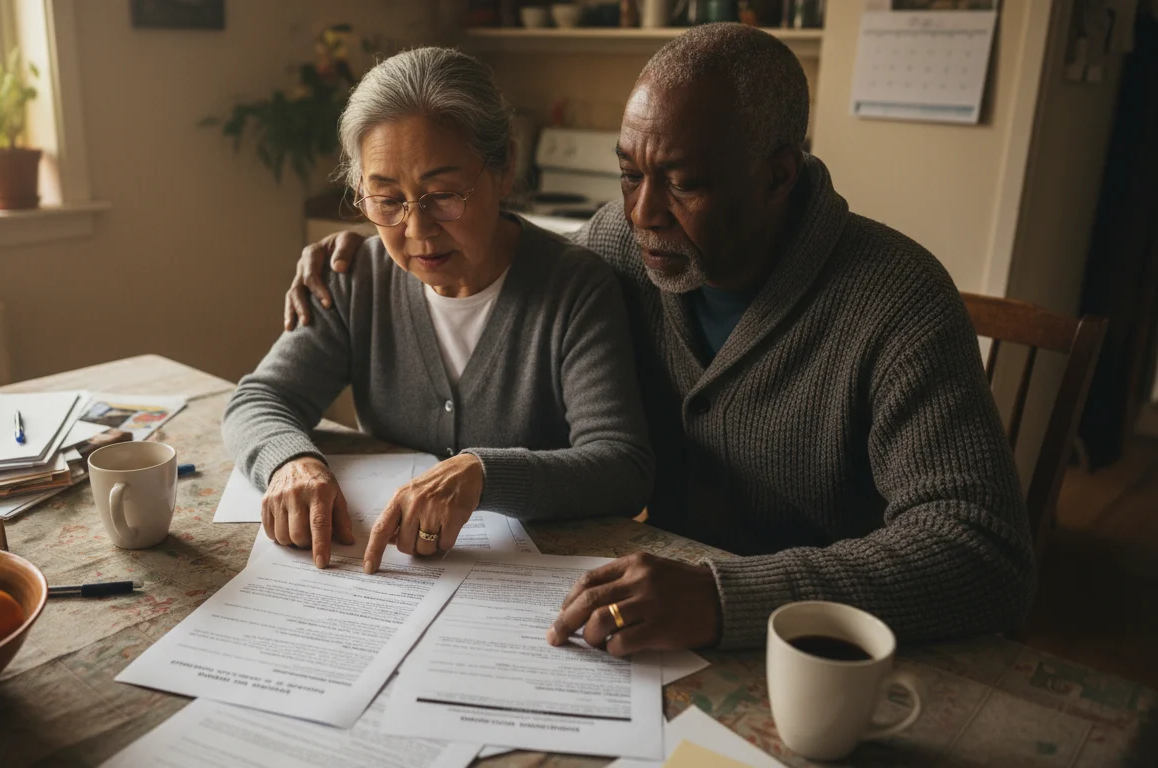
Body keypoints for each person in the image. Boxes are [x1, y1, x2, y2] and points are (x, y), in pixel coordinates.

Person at [283, 24, 1036, 651]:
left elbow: (983, 555)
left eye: (684, 182)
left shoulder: (896, 300)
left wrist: (723, 596)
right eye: (627, 173)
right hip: (655, 633)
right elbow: (509, 260)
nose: (644, 211)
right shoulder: (616, 247)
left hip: (833, 648)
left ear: (779, 177)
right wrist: (366, 246)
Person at [223, 47, 653, 573]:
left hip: (525, 583)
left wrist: (481, 474)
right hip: (386, 581)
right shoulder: (358, 278)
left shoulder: (573, 288)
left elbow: (621, 465)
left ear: (503, 167)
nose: (417, 229)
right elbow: (260, 398)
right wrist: (290, 462)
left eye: (443, 194)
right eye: (386, 199)